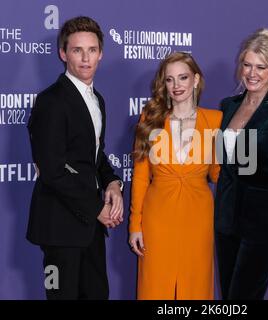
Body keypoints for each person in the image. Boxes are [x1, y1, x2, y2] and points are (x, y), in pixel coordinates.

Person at [27, 16, 124, 300]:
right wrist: (96, 208)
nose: (85, 58)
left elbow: (94, 156)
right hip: (59, 228)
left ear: (101, 54)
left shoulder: (97, 99)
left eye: (92, 50)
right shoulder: (51, 101)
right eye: (77, 50)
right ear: (63, 53)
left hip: (89, 228)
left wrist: (114, 182)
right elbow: (52, 170)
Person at [214, 28, 268, 300]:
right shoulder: (228, 106)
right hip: (226, 219)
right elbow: (222, 163)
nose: (252, 73)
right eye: (247, 65)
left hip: (265, 223)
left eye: (260, 67)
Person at [129, 52, 222, 300]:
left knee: (196, 287)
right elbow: (140, 176)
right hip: (157, 218)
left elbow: (219, 175)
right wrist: (135, 224)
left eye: (183, 77)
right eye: (170, 80)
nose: (176, 85)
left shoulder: (215, 120)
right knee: (155, 287)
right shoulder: (150, 118)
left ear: (196, 79)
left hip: (199, 218)